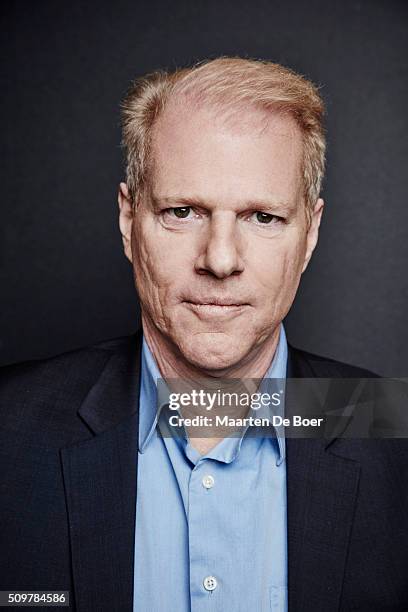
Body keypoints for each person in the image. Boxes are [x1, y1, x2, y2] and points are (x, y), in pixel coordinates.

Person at [0, 57, 407, 612]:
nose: (220, 259)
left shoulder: (395, 439)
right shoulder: (9, 430)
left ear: (309, 233)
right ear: (128, 221)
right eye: (183, 211)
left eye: (263, 217)